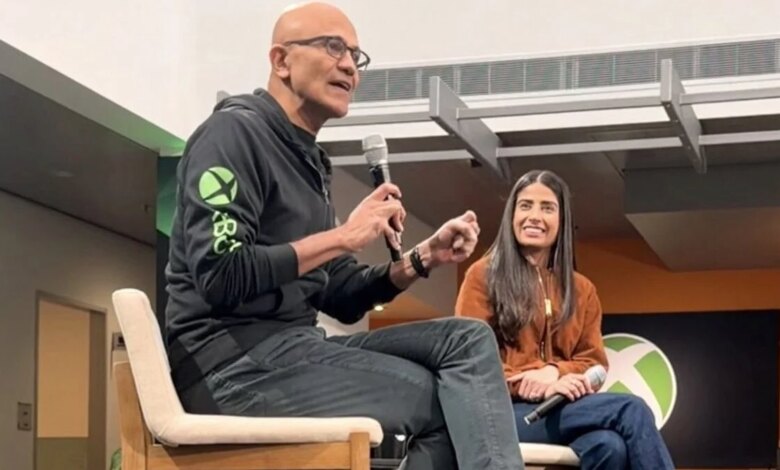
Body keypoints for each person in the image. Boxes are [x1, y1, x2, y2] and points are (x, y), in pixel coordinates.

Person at [163, 2, 524, 469]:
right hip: (230, 366)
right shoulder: (232, 134)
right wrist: (344, 236)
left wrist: (422, 259)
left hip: (295, 349)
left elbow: (340, 295)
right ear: (281, 60)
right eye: (334, 47)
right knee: (451, 404)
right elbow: (221, 275)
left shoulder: (310, 163)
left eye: (356, 55)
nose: (350, 66)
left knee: (467, 341)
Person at [455, 170, 674, 469]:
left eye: (547, 208)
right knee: (631, 409)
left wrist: (555, 373)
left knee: (610, 446)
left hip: (560, 409)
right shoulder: (482, 276)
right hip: (500, 414)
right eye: (525, 206)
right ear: (511, 215)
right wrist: (530, 382)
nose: (534, 216)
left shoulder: (582, 289)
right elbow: (469, 363)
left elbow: (594, 363)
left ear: (562, 221)